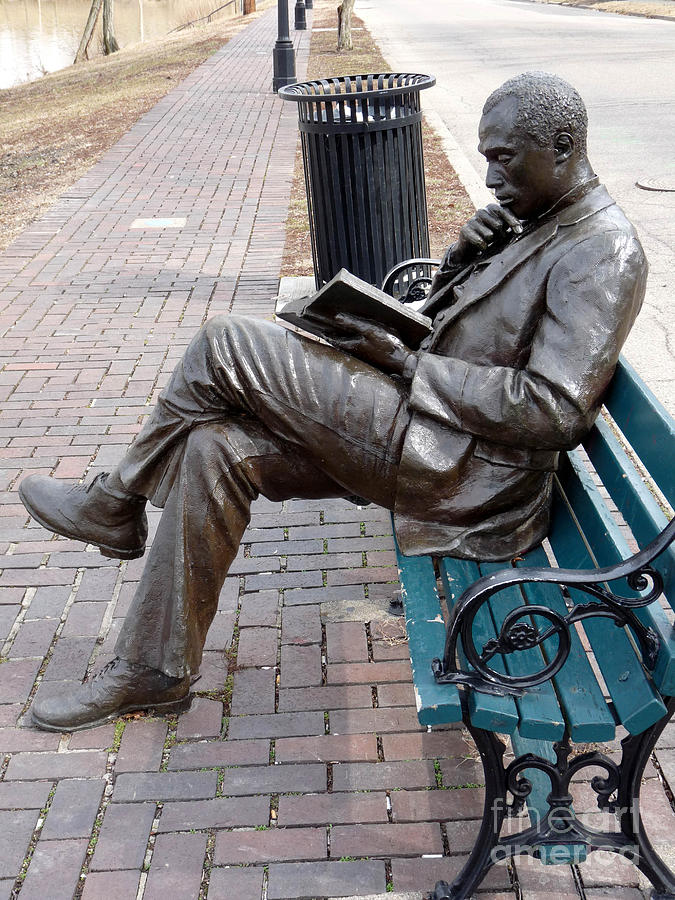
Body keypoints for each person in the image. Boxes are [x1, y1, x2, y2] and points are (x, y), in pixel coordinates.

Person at [20, 72, 647, 732]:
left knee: (224, 342)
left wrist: (409, 365)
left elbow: (553, 408)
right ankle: (154, 669)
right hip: (432, 434)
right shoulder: (539, 222)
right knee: (215, 448)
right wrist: (462, 260)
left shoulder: (599, 249)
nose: (491, 179)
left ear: (560, 146)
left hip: (465, 471)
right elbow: (473, 334)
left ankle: (114, 504)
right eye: (486, 157)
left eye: (503, 158)